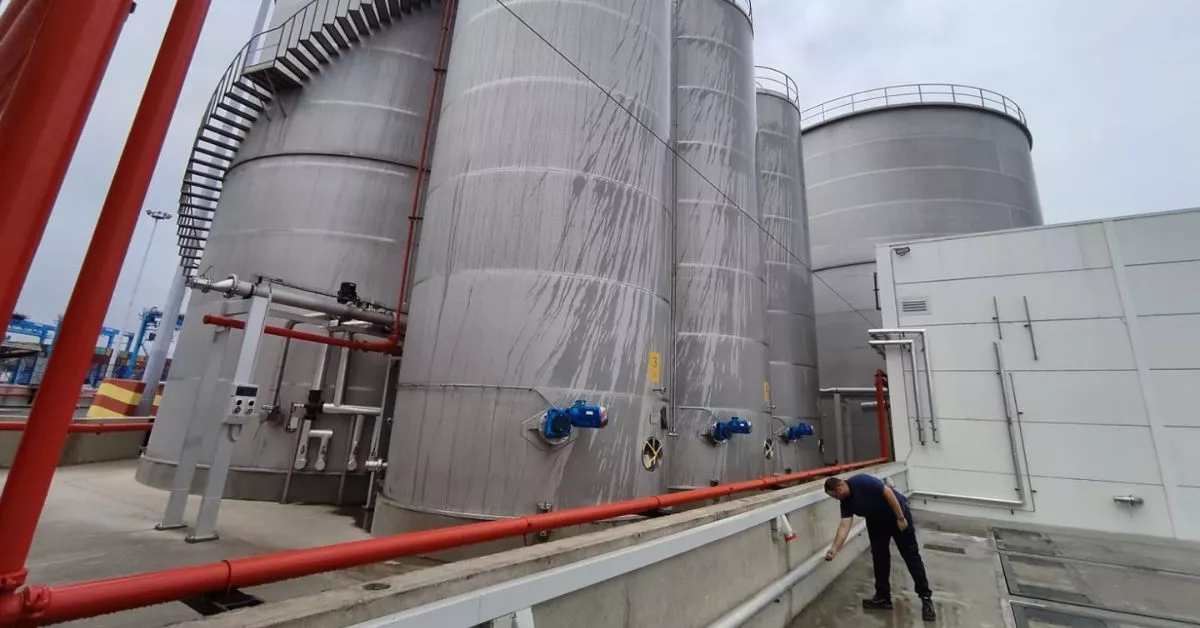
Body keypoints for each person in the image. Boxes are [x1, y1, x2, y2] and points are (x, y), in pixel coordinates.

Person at [823, 475, 936, 621]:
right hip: (876, 522)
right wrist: (834, 549)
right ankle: (883, 597)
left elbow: (888, 492)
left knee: (911, 556)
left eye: (835, 496)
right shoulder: (845, 502)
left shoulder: (861, 482)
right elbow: (844, 526)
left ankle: (926, 598)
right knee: (879, 557)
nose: (836, 499)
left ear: (839, 488)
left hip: (896, 515)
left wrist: (901, 518)